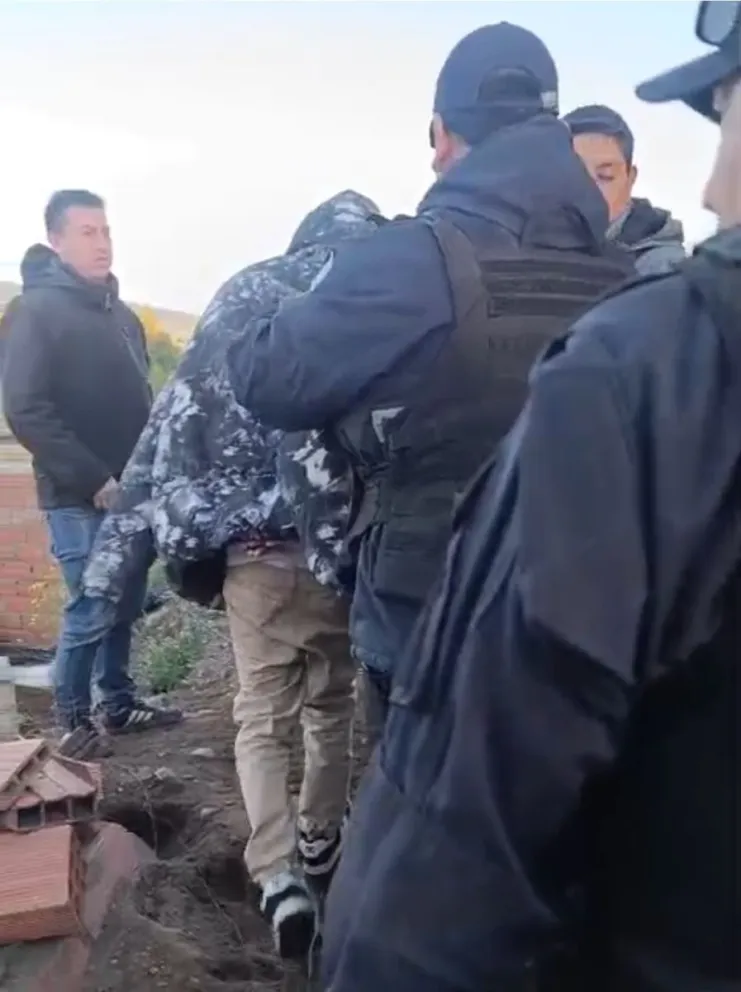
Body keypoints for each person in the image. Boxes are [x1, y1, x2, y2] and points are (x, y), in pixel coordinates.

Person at [321, 5, 741, 990]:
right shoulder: (633, 314)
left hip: (431, 606)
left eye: (723, 114)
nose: (711, 183)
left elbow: (450, 872)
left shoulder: (653, 369)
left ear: (444, 136)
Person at [227, 23, 634, 738]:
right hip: (582, 621)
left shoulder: (412, 261)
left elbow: (266, 375)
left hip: (434, 627)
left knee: (430, 806)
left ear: (444, 136)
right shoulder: (623, 272)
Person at [82, 191, 383, 959]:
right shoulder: (374, 290)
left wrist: (120, 560)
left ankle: (276, 874)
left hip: (250, 551)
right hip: (334, 545)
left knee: (261, 715)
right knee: (331, 703)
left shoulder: (242, 294)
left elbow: (173, 420)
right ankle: (321, 839)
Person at [1, 190, 181, 756]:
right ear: (56, 241)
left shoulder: (120, 315)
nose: (102, 243)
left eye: (105, 231)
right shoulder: (33, 312)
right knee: (90, 605)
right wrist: (93, 478)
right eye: (87, 232)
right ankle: (73, 722)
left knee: (124, 603)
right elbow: (26, 408)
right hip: (78, 495)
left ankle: (118, 703)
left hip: (132, 491)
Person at [564, 103, 686, 273]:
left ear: (630, 179)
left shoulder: (663, 269)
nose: (588, 190)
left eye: (605, 176)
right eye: (573, 175)